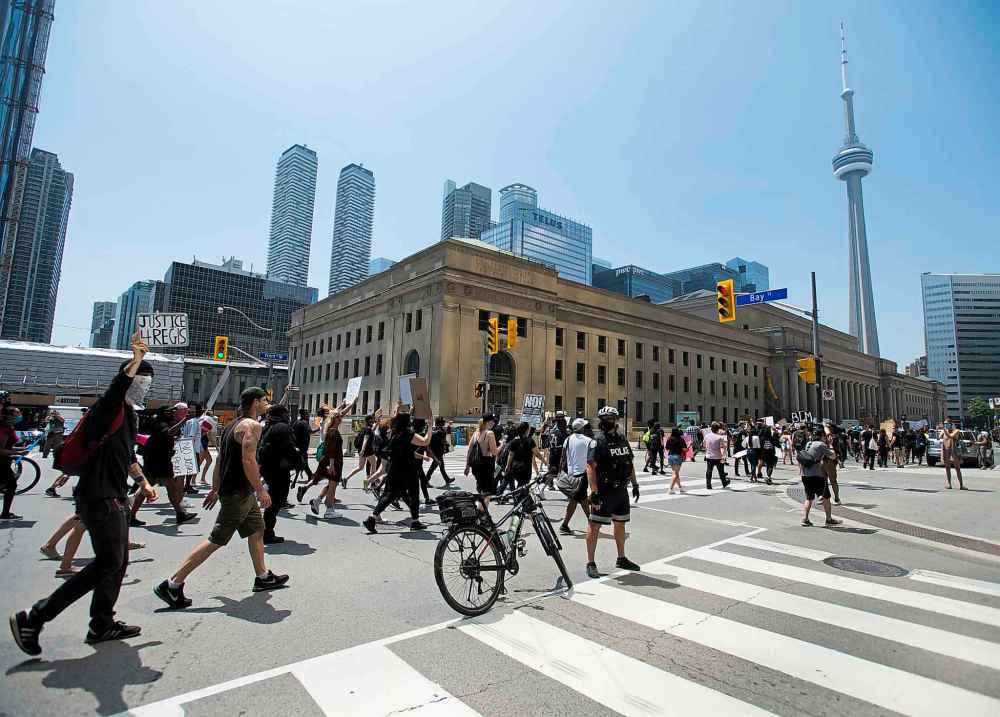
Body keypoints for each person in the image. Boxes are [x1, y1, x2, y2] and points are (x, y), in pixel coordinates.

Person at [10, 332, 160, 655]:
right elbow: (113, 393)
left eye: (149, 383)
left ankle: (101, 622)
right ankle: (35, 617)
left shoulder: (130, 415)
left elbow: (127, 456)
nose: (145, 388)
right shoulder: (110, 408)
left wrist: (143, 482)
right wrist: (133, 363)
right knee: (107, 563)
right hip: (99, 497)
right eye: (141, 380)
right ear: (129, 379)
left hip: (116, 496)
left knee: (117, 563)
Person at [153, 387, 288, 610]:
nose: (267, 404)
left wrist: (216, 489)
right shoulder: (252, 426)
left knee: (256, 530)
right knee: (217, 539)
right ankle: (173, 583)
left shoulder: (231, 426)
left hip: (236, 491)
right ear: (255, 403)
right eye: (265, 400)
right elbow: (248, 461)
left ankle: (263, 576)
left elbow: (220, 461)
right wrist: (261, 490)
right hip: (239, 492)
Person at [585, 407, 640, 578]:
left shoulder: (622, 439)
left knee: (620, 523)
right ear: (601, 421)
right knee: (595, 526)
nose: (611, 421)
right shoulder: (597, 441)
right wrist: (593, 491)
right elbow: (590, 466)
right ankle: (591, 562)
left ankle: (621, 558)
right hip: (604, 489)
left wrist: (635, 483)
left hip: (621, 490)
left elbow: (629, 462)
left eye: (613, 418)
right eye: (607, 418)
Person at [362, 408, 434, 534]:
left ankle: (372, 518)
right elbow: (425, 441)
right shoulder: (408, 434)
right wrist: (430, 425)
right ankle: (415, 521)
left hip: (394, 467)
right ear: (407, 422)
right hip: (408, 469)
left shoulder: (393, 433)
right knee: (414, 494)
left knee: (389, 494)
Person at [130, 404, 197, 527]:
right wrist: (184, 420)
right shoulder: (159, 423)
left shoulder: (164, 422)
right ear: (163, 413)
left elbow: (171, 435)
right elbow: (169, 433)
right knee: (157, 487)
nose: (172, 414)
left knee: (165, 487)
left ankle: (180, 514)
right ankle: (180, 514)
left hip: (160, 459)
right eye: (169, 412)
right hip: (157, 460)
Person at [257, 404, 301, 543]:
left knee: (274, 498)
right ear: (281, 414)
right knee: (277, 500)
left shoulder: (267, 425)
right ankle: (267, 532)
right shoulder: (282, 427)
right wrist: (297, 460)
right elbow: (289, 447)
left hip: (267, 466)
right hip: (278, 468)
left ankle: (266, 530)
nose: (288, 416)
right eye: (286, 414)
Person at [797, 427, 841, 527]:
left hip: (805, 475)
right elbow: (833, 456)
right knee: (826, 497)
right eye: (824, 436)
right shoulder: (821, 444)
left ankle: (805, 519)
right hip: (816, 475)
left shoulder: (808, 443)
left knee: (809, 497)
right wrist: (830, 444)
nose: (825, 438)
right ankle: (828, 519)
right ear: (821, 436)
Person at [558, 418, 593, 534]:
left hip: (571, 475)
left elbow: (562, 457)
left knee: (576, 499)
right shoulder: (588, 440)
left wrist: (559, 472)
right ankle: (591, 523)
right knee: (581, 499)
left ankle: (565, 525)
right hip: (582, 475)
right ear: (582, 428)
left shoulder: (568, 439)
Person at [1, 404, 28, 519]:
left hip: (4, 461)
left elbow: (7, 447)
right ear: (9, 416)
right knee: (11, 484)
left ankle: (6, 513)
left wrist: (20, 449)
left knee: (10, 484)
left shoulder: (9, 427)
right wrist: (18, 453)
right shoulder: (3, 429)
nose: (20, 415)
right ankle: (5, 513)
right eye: (17, 413)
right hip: (1, 462)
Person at [465, 414, 499, 504]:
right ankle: (481, 513)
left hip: (476, 466)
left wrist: (467, 466)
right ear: (488, 422)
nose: (494, 422)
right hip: (487, 465)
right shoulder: (489, 433)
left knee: (481, 491)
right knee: (487, 493)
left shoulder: (476, 433)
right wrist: (502, 445)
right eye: (493, 421)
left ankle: (480, 511)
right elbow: (495, 452)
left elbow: (469, 449)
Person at [504, 422, 542, 490]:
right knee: (523, 488)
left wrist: (508, 466)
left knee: (520, 486)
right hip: (525, 468)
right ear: (527, 430)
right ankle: (518, 498)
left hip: (515, 467)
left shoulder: (514, 441)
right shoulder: (530, 441)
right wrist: (545, 462)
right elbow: (537, 454)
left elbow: (511, 455)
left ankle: (517, 497)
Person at [291, 408, 316, 488]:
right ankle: (310, 476)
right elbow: (310, 432)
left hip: (296, 446)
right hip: (303, 447)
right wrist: (319, 429)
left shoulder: (296, 422)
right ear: (304, 415)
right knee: (304, 462)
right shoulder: (305, 423)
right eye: (307, 414)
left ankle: (310, 475)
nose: (308, 415)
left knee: (302, 462)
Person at [425, 416, 453, 486]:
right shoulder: (440, 432)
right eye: (443, 422)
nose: (444, 423)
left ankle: (447, 479)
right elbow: (446, 436)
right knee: (433, 467)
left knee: (441, 466)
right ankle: (425, 480)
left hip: (434, 451)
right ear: (441, 423)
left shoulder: (434, 430)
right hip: (438, 452)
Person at [938, 422, 966, 489]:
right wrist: (942, 430)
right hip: (946, 451)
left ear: (952, 424)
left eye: (947, 424)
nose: (946, 425)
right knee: (947, 467)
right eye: (945, 424)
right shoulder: (944, 430)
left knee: (957, 468)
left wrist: (944, 429)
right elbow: (939, 437)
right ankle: (949, 484)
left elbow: (950, 436)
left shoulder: (956, 431)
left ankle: (961, 485)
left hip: (954, 451)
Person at [704, 422, 730, 489]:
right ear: (718, 429)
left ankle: (708, 484)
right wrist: (724, 457)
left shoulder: (707, 436)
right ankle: (724, 483)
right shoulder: (720, 437)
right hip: (718, 456)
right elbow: (723, 448)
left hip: (709, 456)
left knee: (709, 470)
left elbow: (704, 445)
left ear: (711, 428)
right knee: (721, 471)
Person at [823, 425, 842, 504]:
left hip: (829, 460)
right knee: (825, 481)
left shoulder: (831, 438)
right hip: (824, 460)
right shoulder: (830, 437)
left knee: (832, 481)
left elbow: (835, 449)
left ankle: (836, 497)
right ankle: (827, 497)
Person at [664, 427, 687, 494]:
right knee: (675, 473)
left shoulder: (669, 439)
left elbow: (667, 448)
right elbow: (684, 449)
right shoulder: (680, 439)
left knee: (676, 473)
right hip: (677, 456)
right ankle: (670, 489)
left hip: (670, 456)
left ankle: (680, 488)